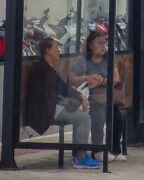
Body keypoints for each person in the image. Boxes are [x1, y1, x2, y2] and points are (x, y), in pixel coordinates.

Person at [25, 38, 99, 169]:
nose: (58, 51)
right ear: (47, 51)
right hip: (45, 110)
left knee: (80, 114)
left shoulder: (46, 67)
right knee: (84, 118)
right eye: (55, 48)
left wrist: (79, 98)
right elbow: (57, 90)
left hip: (51, 106)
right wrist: (78, 99)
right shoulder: (42, 69)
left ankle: (79, 154)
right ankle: (80, 158)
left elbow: (60, 88)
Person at [69, 31, 126, 162]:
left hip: (107, 98)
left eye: (104, 43)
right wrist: (88, 78)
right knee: (98, 115)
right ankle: (98, 149)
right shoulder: (82, 61)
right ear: (90, 45)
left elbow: (116, 79)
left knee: (118, 116)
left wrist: (102, 81)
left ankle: (115, 149)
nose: (103, 46)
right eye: (99, 43)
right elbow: (71, 79)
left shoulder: (108, 59)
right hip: (90, 100)